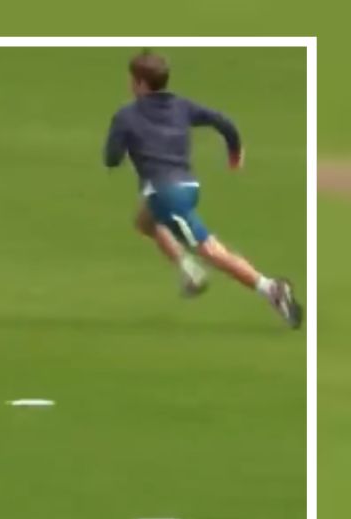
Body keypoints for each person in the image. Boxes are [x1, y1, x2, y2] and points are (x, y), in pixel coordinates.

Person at [104, 50, 302, 327]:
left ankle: (270, 289)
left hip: (166, 196)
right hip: (187, 186)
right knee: (145, 222)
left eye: (131, 79)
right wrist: (234, 151)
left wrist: (120, 148)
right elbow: (222, 121)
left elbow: (111, 158)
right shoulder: (181, 106)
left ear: (140, 83)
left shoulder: (126, 116)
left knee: (211, 251)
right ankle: (189, 269)